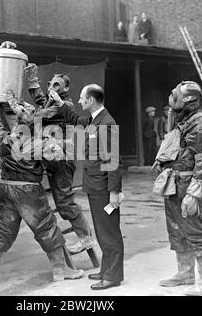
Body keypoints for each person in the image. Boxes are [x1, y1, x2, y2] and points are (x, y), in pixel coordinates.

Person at [0, 93, 84, 289]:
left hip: (5, 189)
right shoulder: (41, 143)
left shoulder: (4, 138)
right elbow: (57, 163)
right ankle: (61, 270)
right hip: (29, 192)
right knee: (47, 228)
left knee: (1, 232)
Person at [49, 84, 124, 290]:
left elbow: (114, 160)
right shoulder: (93, 120)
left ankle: (113, 276)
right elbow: (76, 120)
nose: (80, 101)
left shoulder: (106, 123)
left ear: (91, 100)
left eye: (82, 98)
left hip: (104, 188)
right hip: (95, 186)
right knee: (101, 232)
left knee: (109, 233)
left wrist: (114, 192)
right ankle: (107, 269)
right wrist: (60, 103)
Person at [26, 64, 94, 254]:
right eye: (51, 85)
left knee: (65, 201)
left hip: (63, 159)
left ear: (65, 89)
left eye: (57, 86)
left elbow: (39, 114)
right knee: (61, 200)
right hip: (53, 157)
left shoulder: (66, 105)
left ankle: (86, 238)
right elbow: (41, 99)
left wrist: (22, 110)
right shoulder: (51, 100)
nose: (52, 89)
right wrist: (32, 80)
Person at [157, 81, 202, 296]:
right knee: (176, 231)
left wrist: (193, 193)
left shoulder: (200, 125)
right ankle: (185, 273)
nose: (171, 99)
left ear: (189, 99)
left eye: (175, 96)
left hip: (187, 185)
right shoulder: (184, 121)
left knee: (194, 232)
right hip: (173, 184)